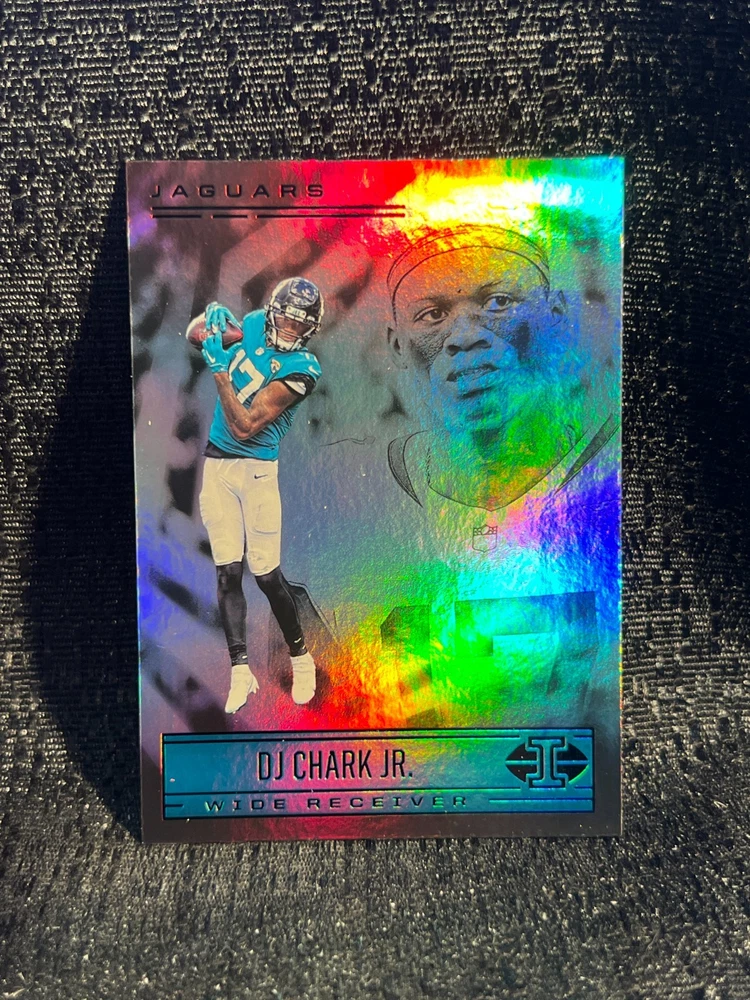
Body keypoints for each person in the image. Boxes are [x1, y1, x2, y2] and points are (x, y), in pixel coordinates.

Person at [287, 225, 619, 729]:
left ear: (554, 317)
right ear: (398, 347)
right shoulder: (341, 500)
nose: (464, 337)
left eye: (499, 302)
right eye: (433, 316)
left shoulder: (616, 472)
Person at [196, 277, 324, 712]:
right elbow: (199, 334)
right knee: (227, 573)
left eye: (299, 323)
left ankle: (301, 659)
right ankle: (240, 672)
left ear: (310, 329)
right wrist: (211, 319)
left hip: (256, 473)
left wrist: (218, 369)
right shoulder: (251, 324)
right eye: (285, 318)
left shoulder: (303, 369)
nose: (289, 328)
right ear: (271, 313)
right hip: (217, 469)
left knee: (266, 575)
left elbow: (245, 426)